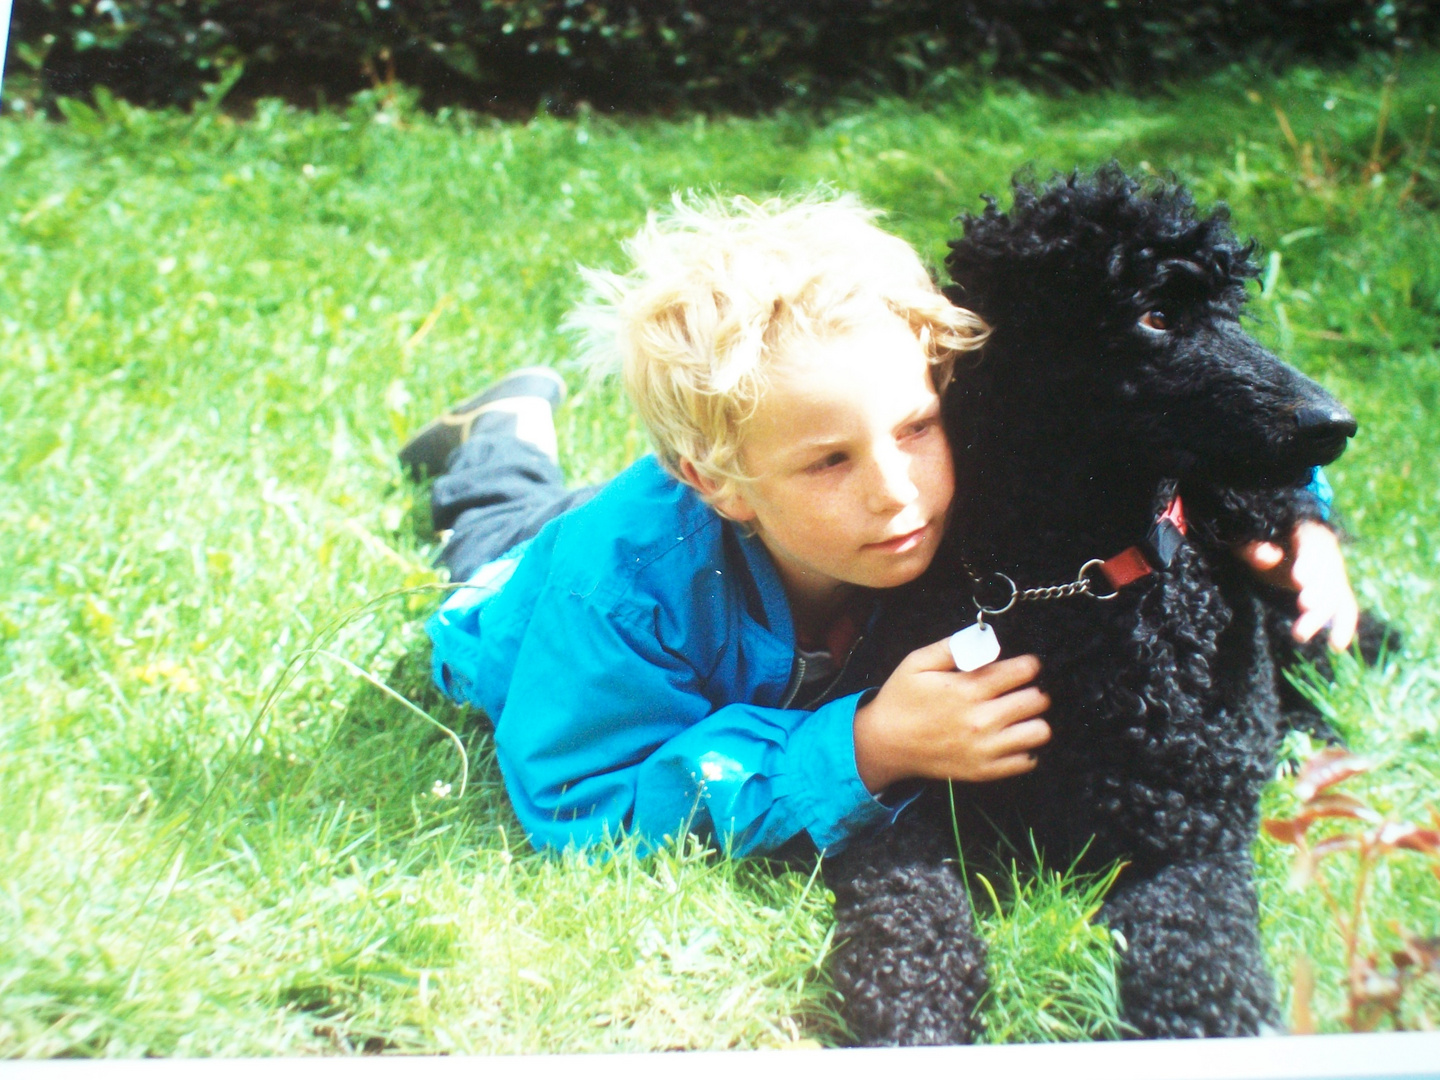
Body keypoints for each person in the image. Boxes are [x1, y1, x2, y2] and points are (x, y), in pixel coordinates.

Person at [406, 192, 1357, 858]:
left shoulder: (941, 463)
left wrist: (1302, 517)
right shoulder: (612, 597)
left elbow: (1148, 421)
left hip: (697, 518)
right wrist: (862, 750)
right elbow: (588, 804)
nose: (898, 492)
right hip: (531, 590)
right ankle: (497, 432)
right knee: (506, 523)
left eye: (915, 427)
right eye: (831, 460)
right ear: (720, 480)